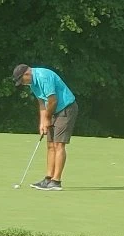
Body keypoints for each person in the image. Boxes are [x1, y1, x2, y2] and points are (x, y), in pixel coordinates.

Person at [13, 63, 78, 191]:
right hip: (52, 110)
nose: (23, 83)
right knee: (50, 144)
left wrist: (47, 118)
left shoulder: (43, 76)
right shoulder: (32, 83)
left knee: (59, 144)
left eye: (22, 80)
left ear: (27, 73)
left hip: (66, 108)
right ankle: (48, 178)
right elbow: (42, 102)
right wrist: (42, 122)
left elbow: (53, 100)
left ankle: (56, 181)